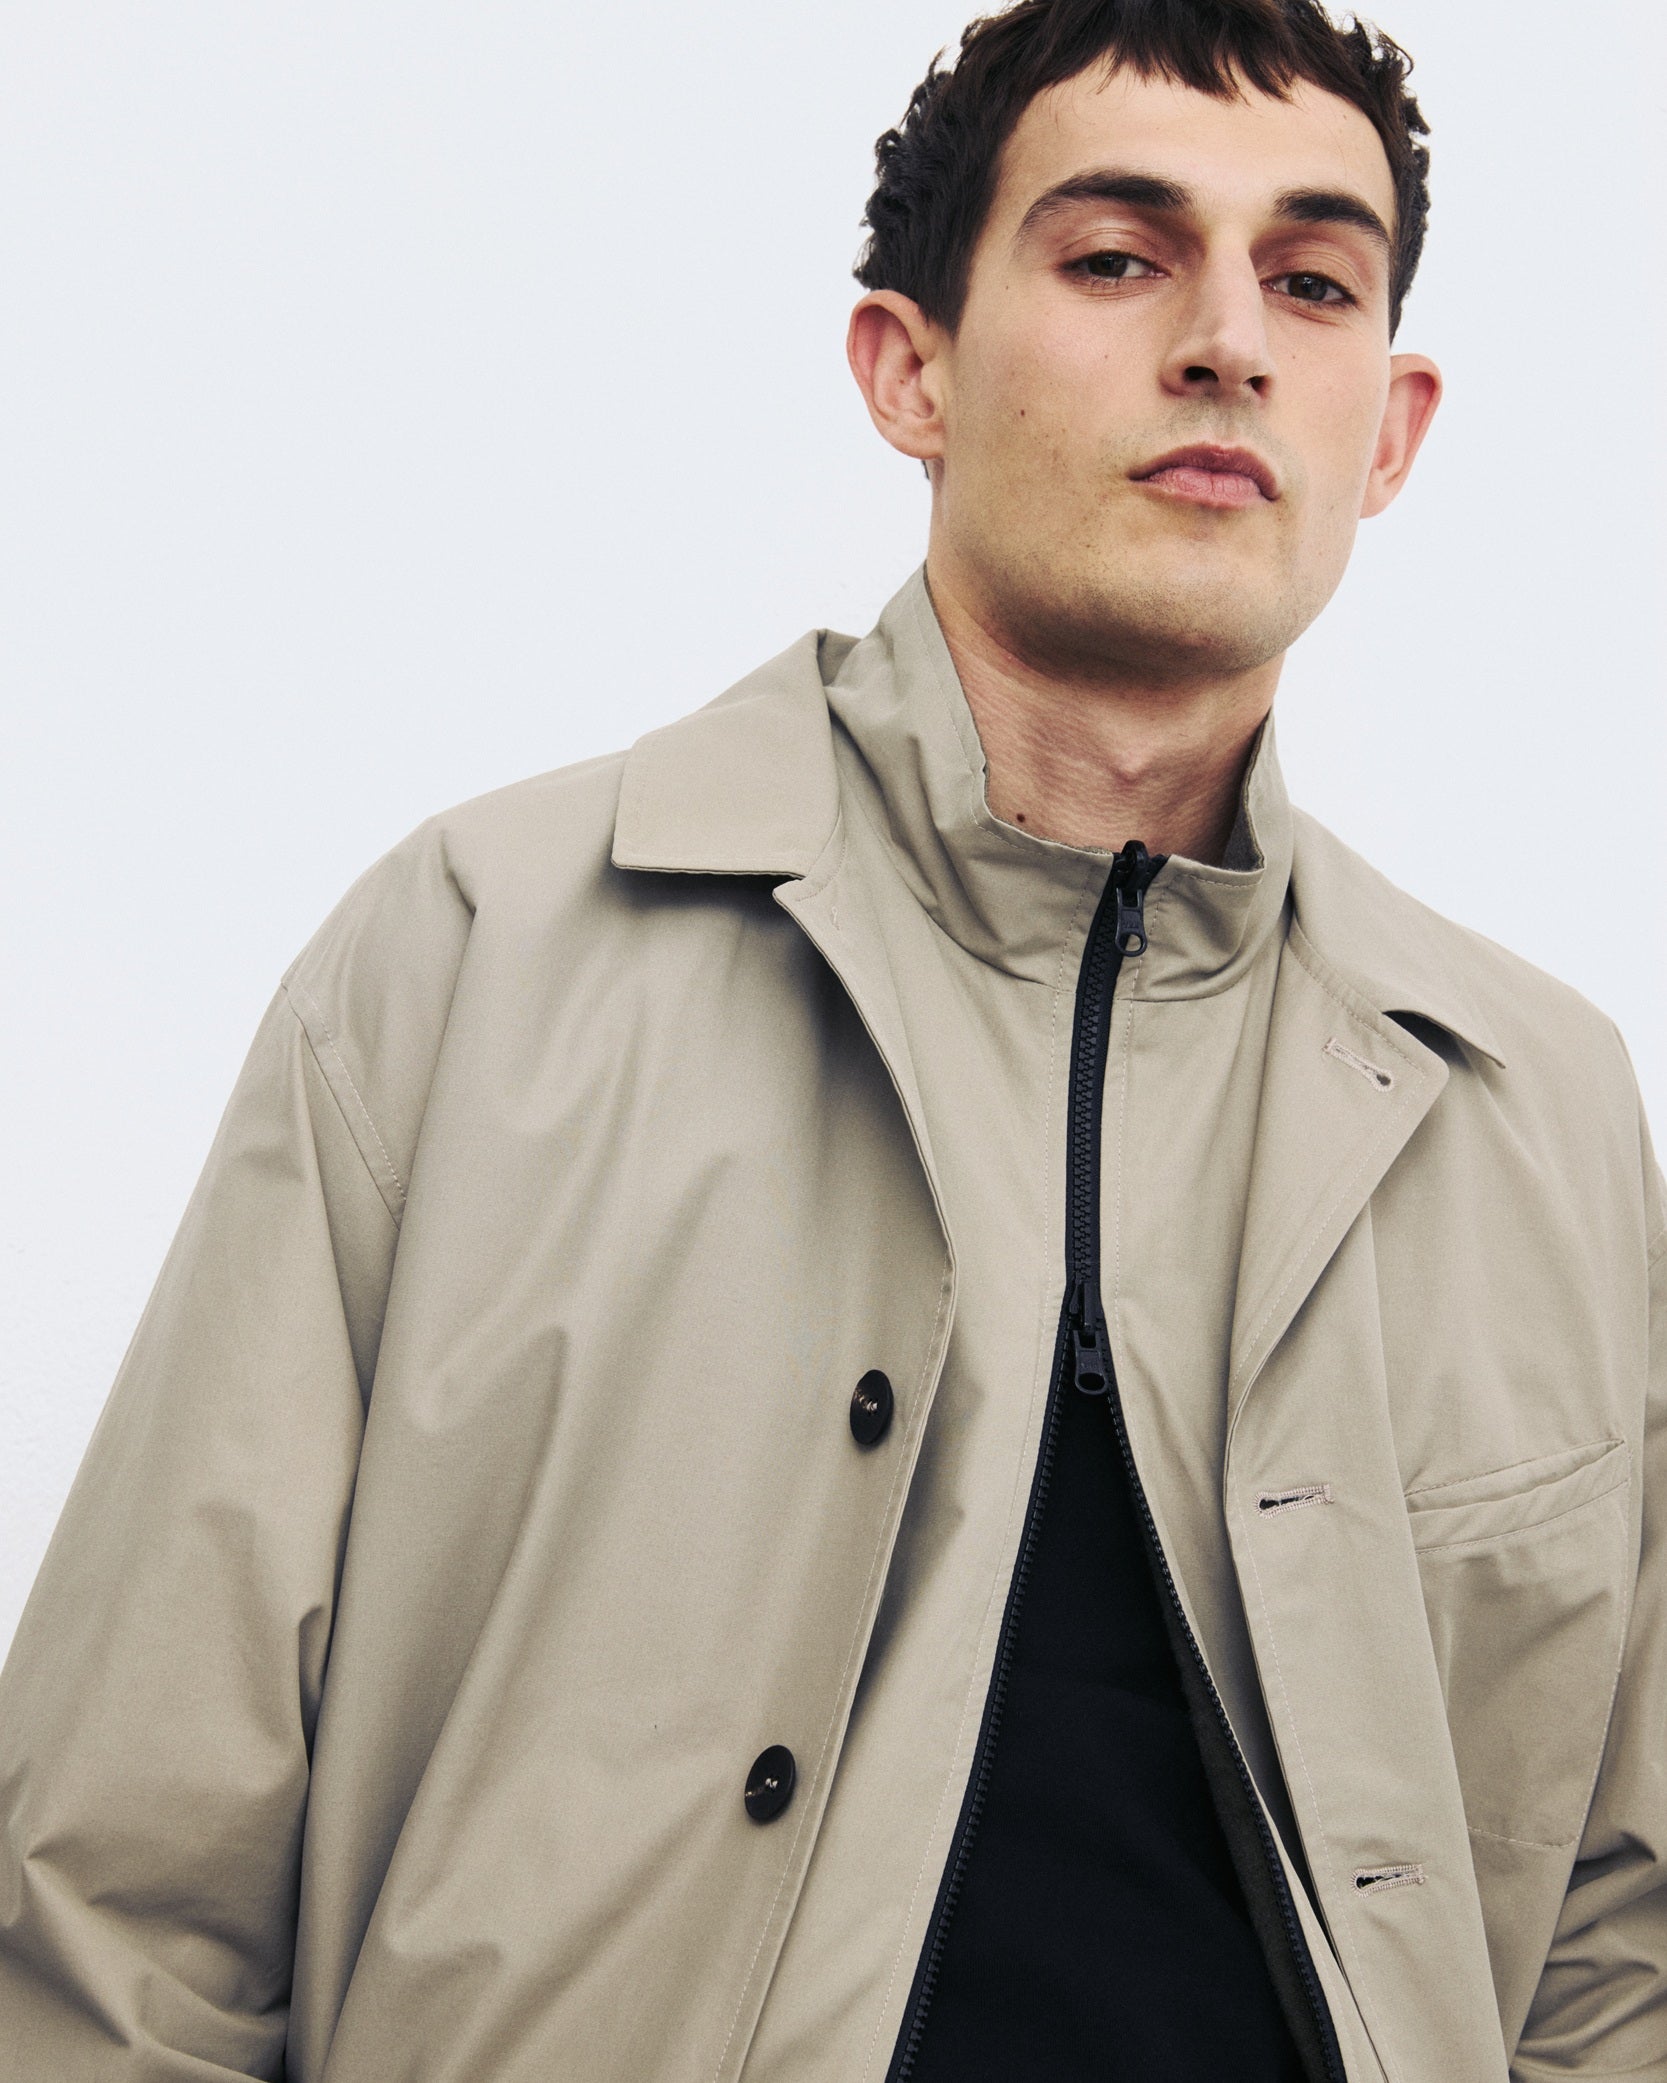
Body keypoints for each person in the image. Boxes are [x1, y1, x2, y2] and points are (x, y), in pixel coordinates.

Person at [1, 0, 1661, 2076]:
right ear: (907, 370)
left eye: (1313, 282)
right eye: (1119, 255)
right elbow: (119, 1901)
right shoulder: (479, 957)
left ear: (1391, 432)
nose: (1230, 341)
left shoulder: (1539, 1111)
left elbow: (1615, 1955)